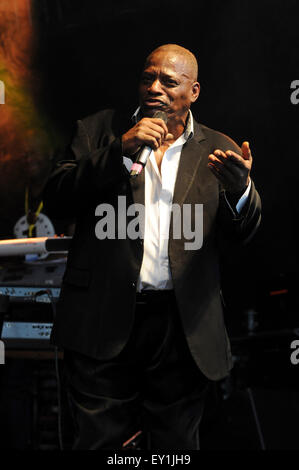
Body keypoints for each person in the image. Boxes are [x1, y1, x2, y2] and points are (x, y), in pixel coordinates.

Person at [43, 43, 261, 450]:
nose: (155, 88)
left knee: (175, 447)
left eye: (169, 81)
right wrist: (117, 151)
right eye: (148, 77)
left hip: (182, 327)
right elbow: (55, 197)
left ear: (194, 91)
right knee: (97, 442)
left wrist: (241, 191)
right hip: (102, 316)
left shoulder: (218, 146)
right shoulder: (98, 131)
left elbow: (244, 234)